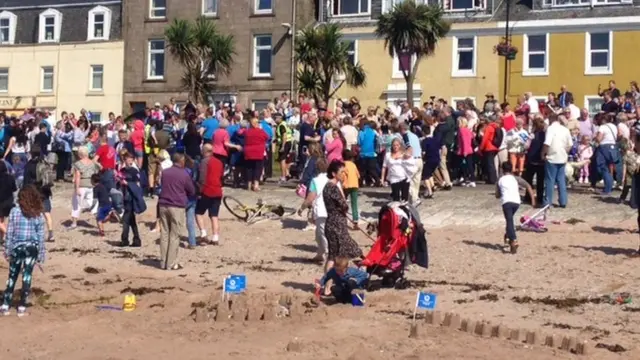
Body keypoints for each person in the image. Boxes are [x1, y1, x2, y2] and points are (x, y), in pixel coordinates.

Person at [0, 185, 46, 317]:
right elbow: (40, 236)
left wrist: (7, 250)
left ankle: (5, 304)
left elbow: (10, 232)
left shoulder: (15, 211)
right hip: (31, 248)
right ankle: (21, 305)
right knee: (27, 276)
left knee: (12, 275)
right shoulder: (38, 214)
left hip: (17, 247)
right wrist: (41, 254)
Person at [157, 153, 195, 270]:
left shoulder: (165, 172)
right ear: (181, 161)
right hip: (176, 205)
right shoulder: (184, 174)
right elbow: (191, 190)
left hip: (163, 204)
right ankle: (171, 263)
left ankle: (163, 262)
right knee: (174, 235)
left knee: (164, 234)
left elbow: (162, 184)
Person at [323, 160, 363, 271]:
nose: (344, 175)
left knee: (333, 256)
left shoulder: (327, 186)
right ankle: (329, 283)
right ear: (333, 174)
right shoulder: (333, 188)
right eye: (341, 172)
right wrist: (344, 206)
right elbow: (344, 206)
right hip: (337, 225)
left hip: (331, 223)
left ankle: (327, 284)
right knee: (345, 252)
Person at [495, 162, 535, 254]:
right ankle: (507, 237)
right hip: (516, 202)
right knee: (509, 220)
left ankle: (513, 240)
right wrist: (533, 200)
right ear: (511, 169)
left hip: (507, 202)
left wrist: (500, 193)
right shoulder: (515, 178)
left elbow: (497, 195)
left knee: (509, 221)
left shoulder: (500, 180)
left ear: (502, 169)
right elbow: (528, 186)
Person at [298, 158, 330, 266]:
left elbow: (310, 197)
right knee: (319, 234)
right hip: (332, 210)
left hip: (322, 210)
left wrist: (302, 207)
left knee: (323, 234)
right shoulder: (332, 179)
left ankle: (328, 255)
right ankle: (320, 254)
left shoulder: (315, 180)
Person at [542, 114, 573, 207]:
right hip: (562, 157)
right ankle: (563, 201)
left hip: (552, 157)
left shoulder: (551, 129)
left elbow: (547, 143)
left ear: (551, 120)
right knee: (561, 180)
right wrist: (565, 152)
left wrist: (543, 153)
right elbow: (570, 144)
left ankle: (548, 202)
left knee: (550, 180)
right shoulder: (565, 129)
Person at [196, 154, 224, 245]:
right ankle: (215, 237)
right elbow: (221, 176)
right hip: (217, 190)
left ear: (204, 151)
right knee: (214, 215)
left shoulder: (205, 161)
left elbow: (202, 177)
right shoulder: (219, 162)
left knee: (198, 212)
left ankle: (203, 234)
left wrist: (199, 190)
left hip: (207, 190)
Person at [69, 146, 98, 229]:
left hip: (81, 184)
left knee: (76, 204)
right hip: (90, 185)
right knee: (89, 203)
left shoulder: (78, 164)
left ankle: (74, 223)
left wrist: (77, 188)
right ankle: (93, 210)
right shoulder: (92, 163)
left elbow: (77, 176)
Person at [119, 152, 144, 247]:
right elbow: (120, 183)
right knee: (131, 220)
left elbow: (137, 185)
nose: (129, 161)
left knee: (125, 219)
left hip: (131, 198)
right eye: (127, 159)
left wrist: (127, 184)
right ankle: (136, 239)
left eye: (130, 159)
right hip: (125, 196)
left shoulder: (134, 171)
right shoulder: (122, 170)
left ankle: (124, 239)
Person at [242, 118, 269, 192]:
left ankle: (249, 184)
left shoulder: (247, 132)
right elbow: (267, 137)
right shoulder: (261, 131)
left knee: (249, 168)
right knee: (258, 168)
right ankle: (256, 185)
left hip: (248, 152)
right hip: (258, 152)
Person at [342, 150, 360, 229]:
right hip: (355, 185)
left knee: (343, 202)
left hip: (346, 185)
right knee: (354, 204)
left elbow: (342, 175)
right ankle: (355, 221)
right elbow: (358, 176)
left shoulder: (343, 164)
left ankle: (343, 219)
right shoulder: (353, 165)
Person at [0, 161, 16, 241]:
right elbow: (14, 189)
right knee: (2, 220)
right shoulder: (10, 177)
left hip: (1, 202)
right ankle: (1, 239)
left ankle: (9, 235)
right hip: (9, 201)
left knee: (0, 221)